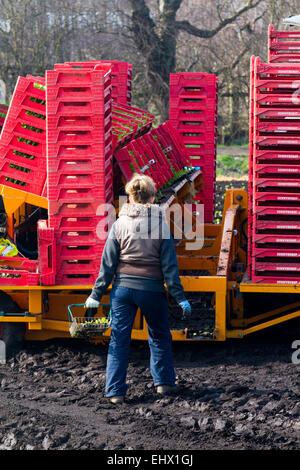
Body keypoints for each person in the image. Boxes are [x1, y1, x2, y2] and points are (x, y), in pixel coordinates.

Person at [85, 174, 191, 404]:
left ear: (130, 198)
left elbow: (107, 265)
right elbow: (170, 267)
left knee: (118, 340)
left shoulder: (119, 224)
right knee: (160, 335)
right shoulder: (161, 225)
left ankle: (115, 393)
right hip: (152, 290)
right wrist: (180, 297)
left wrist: (95, 294)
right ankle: (163, 384)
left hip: (123, 291)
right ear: (153, 197)